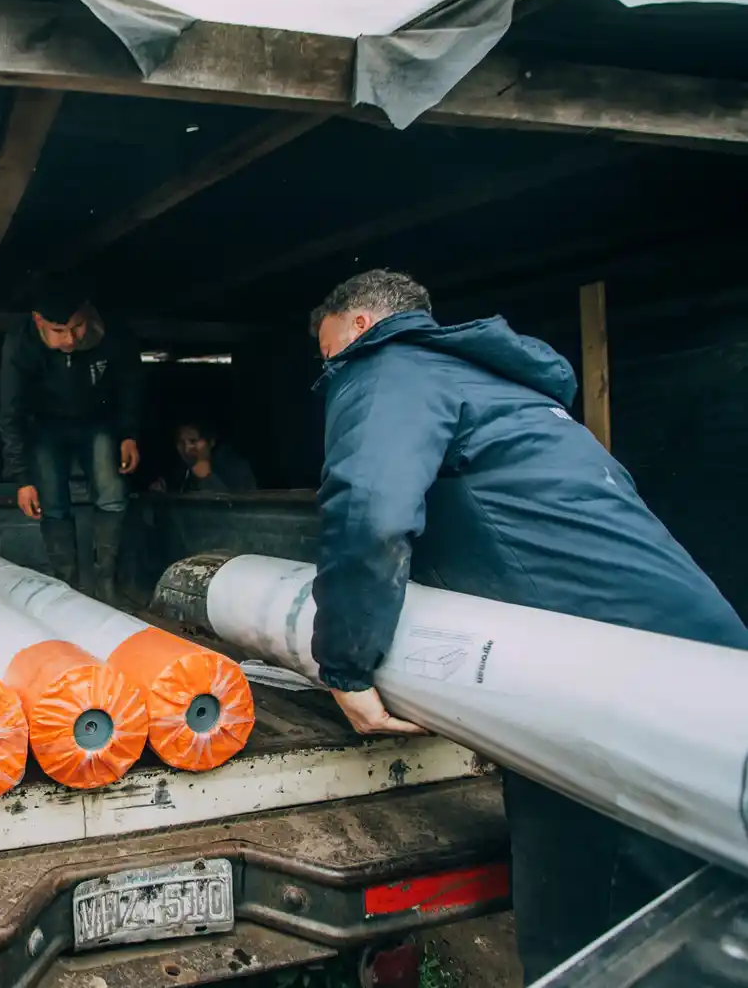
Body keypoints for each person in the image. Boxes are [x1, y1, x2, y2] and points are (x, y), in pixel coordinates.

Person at [305, 268, 748, 983]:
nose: (328, 373)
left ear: (359, 327)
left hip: (591, 688)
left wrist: (347, 666)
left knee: (597, 934)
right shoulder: (509, 391)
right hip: (701, 659)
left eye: (327, 356)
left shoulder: (386, 367)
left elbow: (369, 510)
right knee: (709, 912)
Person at [0, 280, 143, 601]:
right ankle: (69, 589)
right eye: (59, 331)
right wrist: (22, 478)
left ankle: (108, 584)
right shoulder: (20, 343)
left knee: (113, 494)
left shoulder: (113, 331)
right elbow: (11, 413)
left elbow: (130, 384)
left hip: (98, 421)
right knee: (53, 504)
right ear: (39, 321)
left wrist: (129, 434)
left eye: (78, 326)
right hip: (45, 427)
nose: (71, 338)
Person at [150, 419, 258, 493]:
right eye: (181, 443)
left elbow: (238, 515)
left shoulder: (236, 469)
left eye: (193, 441)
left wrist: (206, 478)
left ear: (211, 442)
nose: (187, 449)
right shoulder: (178, 471)